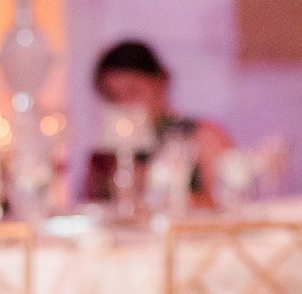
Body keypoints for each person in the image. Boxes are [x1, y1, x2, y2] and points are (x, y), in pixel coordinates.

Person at [84, 40, 232, 208]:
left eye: (133, 90)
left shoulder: (203, 136)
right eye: (112, 96)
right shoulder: (107, 155)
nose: (124, 103)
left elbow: (227, 206)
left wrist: (155, 191)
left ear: (161, 83)